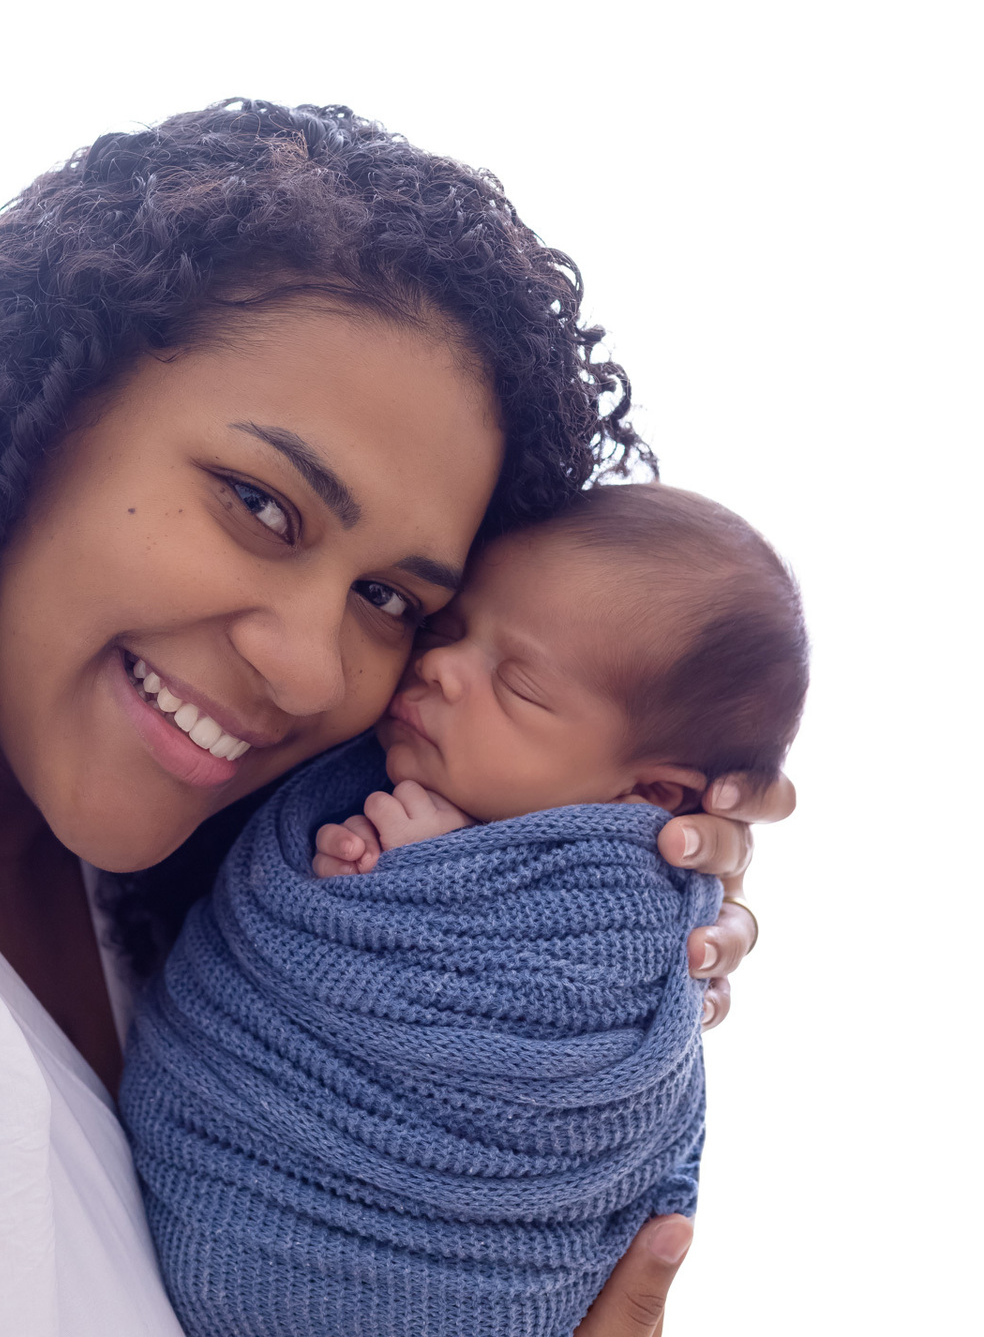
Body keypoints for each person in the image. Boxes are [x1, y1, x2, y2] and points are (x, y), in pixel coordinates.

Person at [0, 101, 790, 1337]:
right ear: (34, 412)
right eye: (260, 506)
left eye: (391, 600)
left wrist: (596, 909)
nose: (313, 671)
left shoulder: (230, 941)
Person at [121, 482, 807, 1335]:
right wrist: (380, 892)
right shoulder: (344, 771)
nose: (439, 667)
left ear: (650, 795)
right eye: (447, 630)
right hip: (236, 1172)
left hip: (451, 1281)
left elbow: (559, 1050)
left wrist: (417, 889)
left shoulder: (630, 921)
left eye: (517, 685)